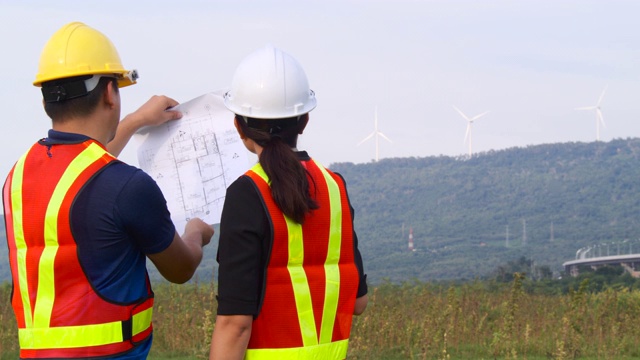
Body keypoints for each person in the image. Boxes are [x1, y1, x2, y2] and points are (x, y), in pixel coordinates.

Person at [2, 22, 214, 359]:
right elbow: (181, 268)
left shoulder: (18, 175)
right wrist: (195, 233)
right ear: (109, 93)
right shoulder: (128, 186)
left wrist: (132, 121)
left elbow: (83, 174)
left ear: (46, 101)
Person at [209, 45, 368, 360]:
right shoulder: (334, 187)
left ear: (239, 126)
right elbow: (358, 302)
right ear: (304, 121)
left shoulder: (247, 193)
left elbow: (234, 324)